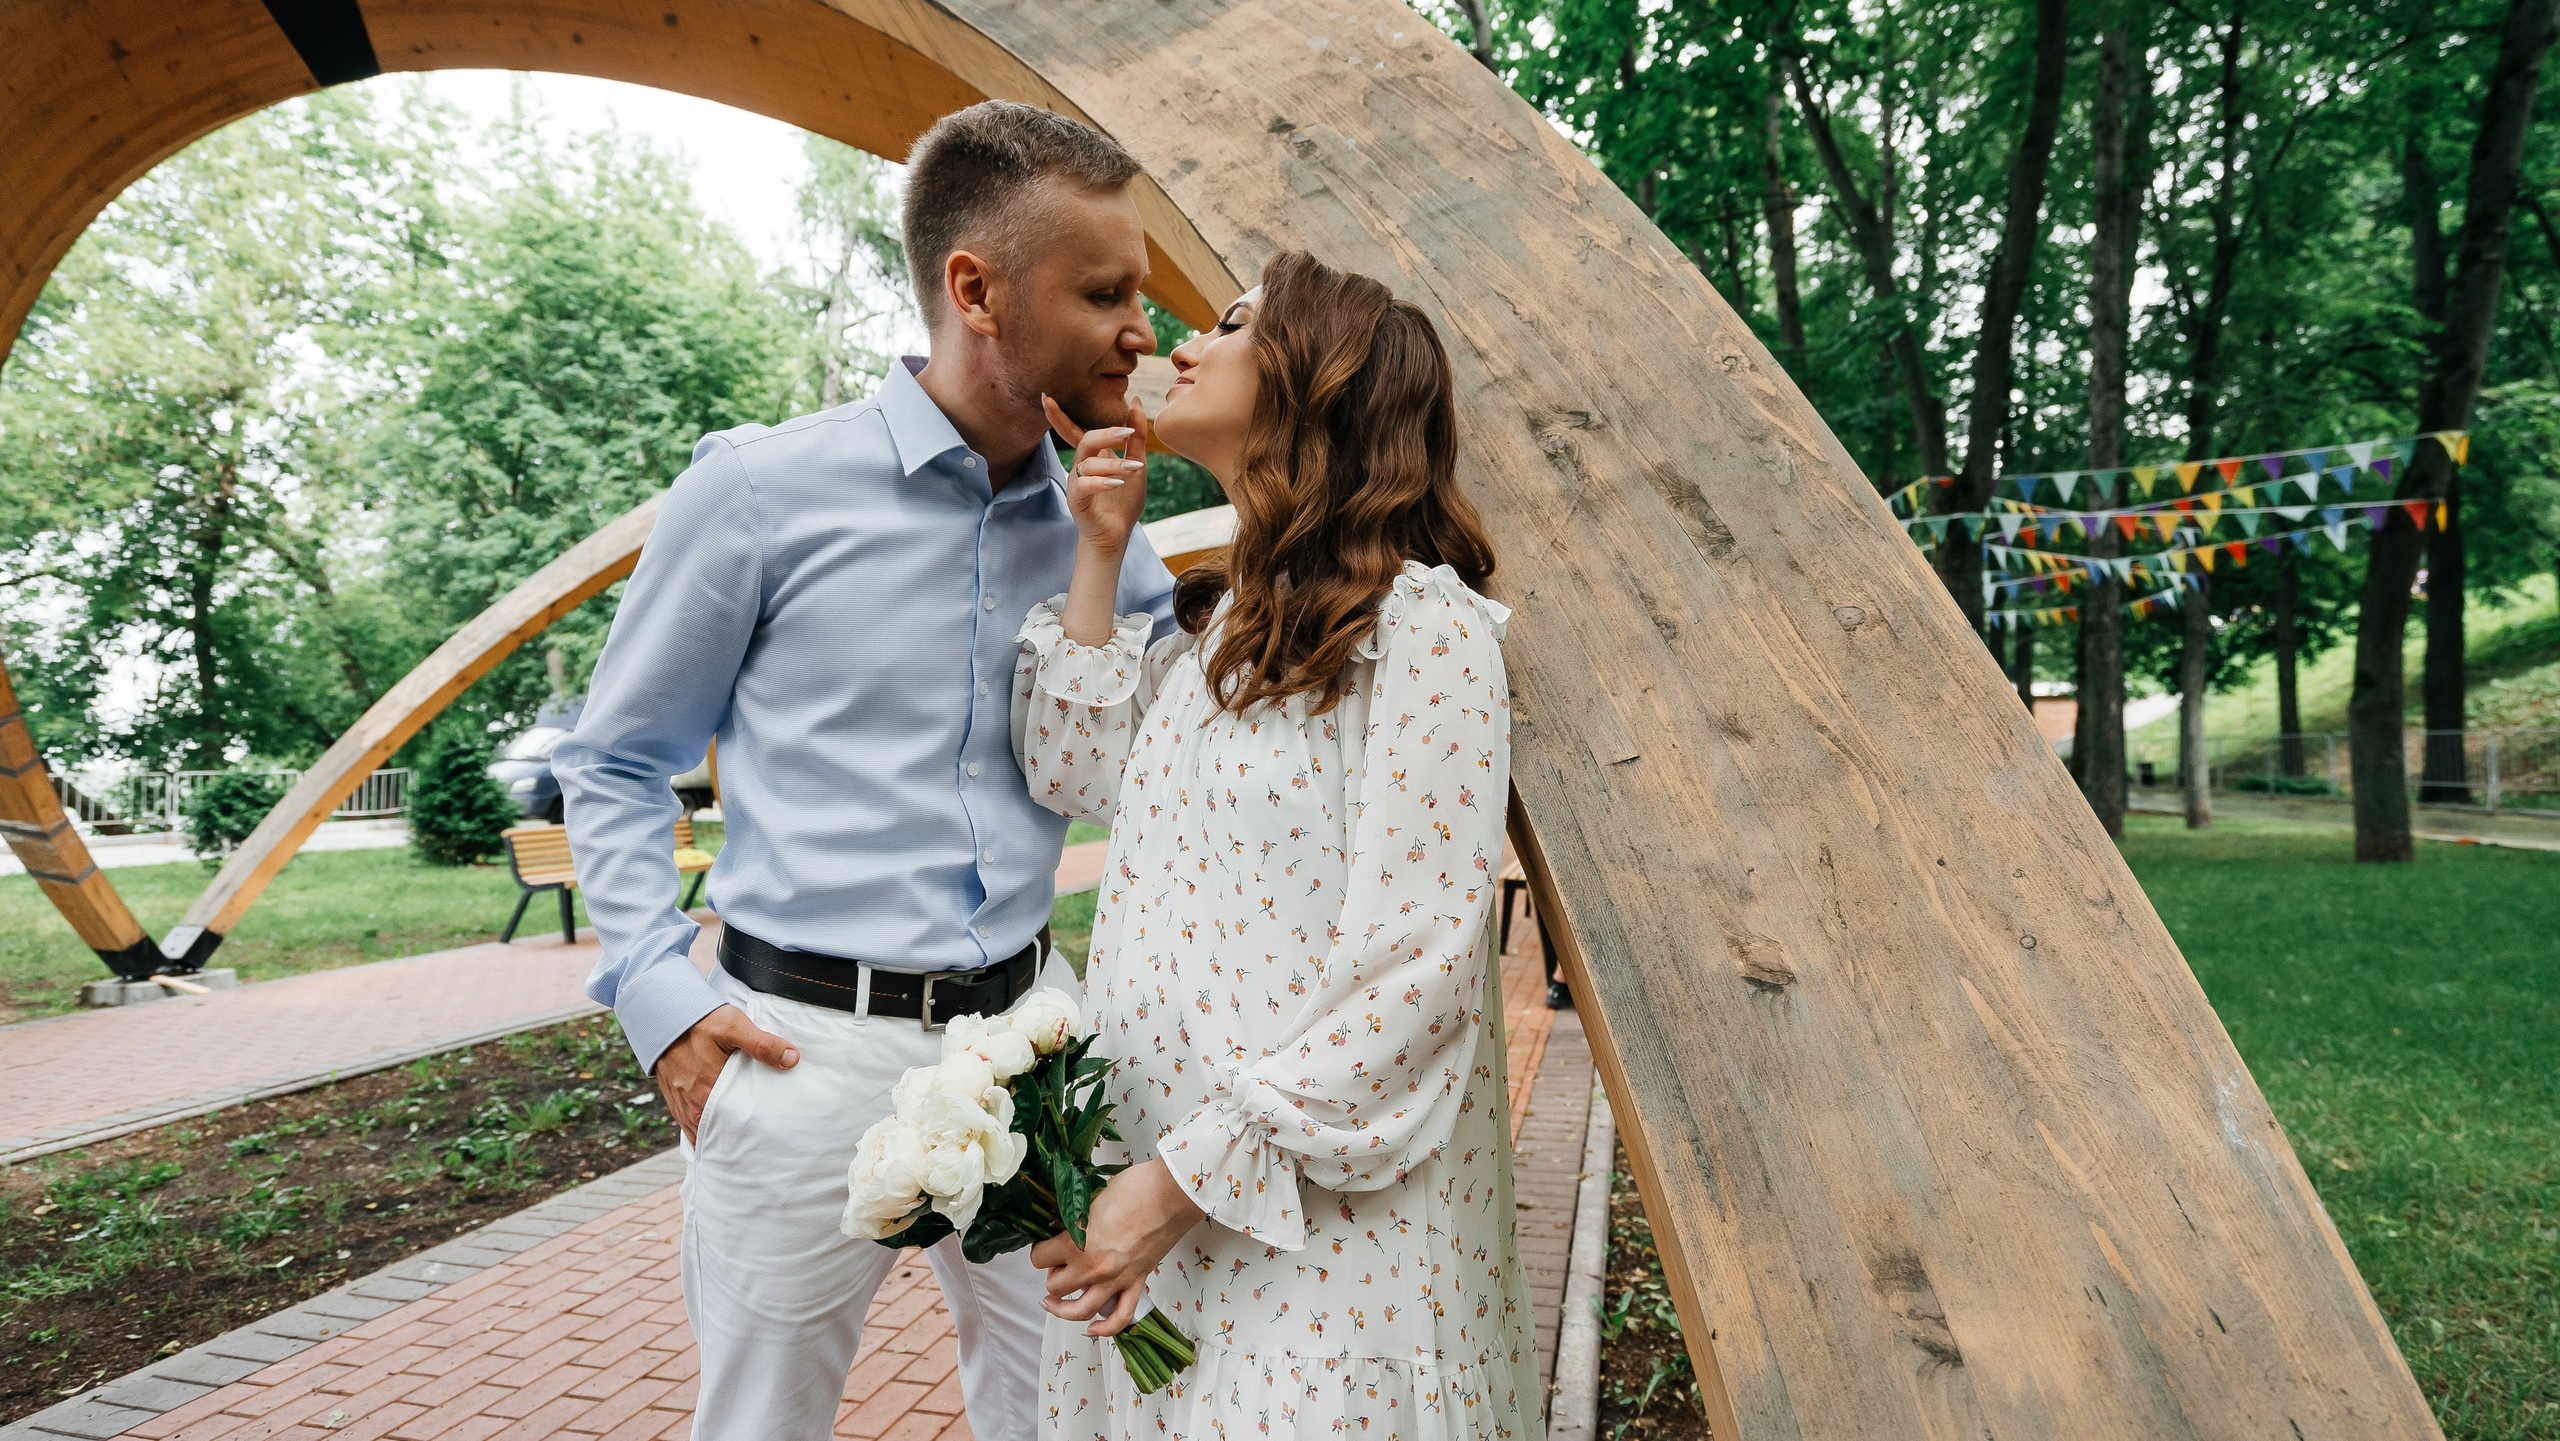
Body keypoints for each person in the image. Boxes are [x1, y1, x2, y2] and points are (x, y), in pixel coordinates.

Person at [554, 100, 1182, 1441]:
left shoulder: (1112, 536)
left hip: (1031, 1039)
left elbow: (1178, 758)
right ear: (977, 290)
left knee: (1072, 1415)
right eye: (1106, 291)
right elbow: (616, 762)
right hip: (797, 1049)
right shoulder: (761, 491)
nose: (1144, 329)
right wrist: (659, 1001)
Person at [1009, 251, 1541, 1440]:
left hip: (1317, 1223)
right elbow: (1074, 770)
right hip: (1159, 1199)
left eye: (1235, 324)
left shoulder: (1423, 632)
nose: (1178, 343)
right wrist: (1098, 547)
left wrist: (1189, 1178)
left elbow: (1422, 966)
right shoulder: (1214, 640)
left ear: (1319, 378)